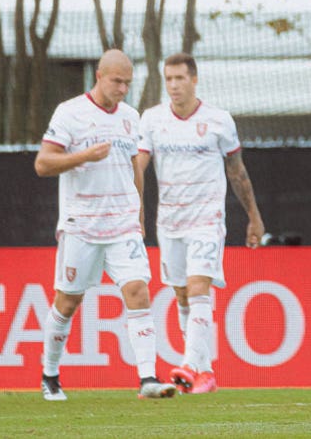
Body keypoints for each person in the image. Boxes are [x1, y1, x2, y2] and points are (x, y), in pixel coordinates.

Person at [34, 49, 176, 401]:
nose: (123, 88)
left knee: (138, 291)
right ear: (99, 76)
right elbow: (43, 164)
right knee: (67, 302)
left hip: (123, 224)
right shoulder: (70, 113)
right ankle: (50, 374)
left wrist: (139, 214)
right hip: (81, 224)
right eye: (117, 81)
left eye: (128, 82)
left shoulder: (130, 117)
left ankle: (147, 379)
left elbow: (135, 169)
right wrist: (83, 155)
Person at [137, 53, 264, 394]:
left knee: (198, 288)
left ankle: (191, 365)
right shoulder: (151, 120)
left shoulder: (218, 120)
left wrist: (254, 216)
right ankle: (205, 373)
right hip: (170, 221)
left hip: (207, 219)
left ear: (194, 80)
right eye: (169, 79)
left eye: (180, 78)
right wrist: (136, 212)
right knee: (181, 295)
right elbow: (139, 166)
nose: (174, 85)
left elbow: (236, 171)